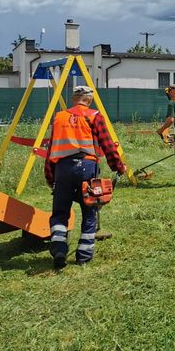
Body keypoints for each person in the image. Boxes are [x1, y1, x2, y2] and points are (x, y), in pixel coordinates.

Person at [44, 85, 126, 269]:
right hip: (86, 167)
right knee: (90, 210)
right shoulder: (94, 116)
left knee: (59, 213)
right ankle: (84, 255)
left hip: (62, 168)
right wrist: (118, 167)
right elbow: (107, 144)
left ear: (74, 99)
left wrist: (51, 177)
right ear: (89, 100)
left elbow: (51, 149)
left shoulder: (59, 117)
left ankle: (58, 248)